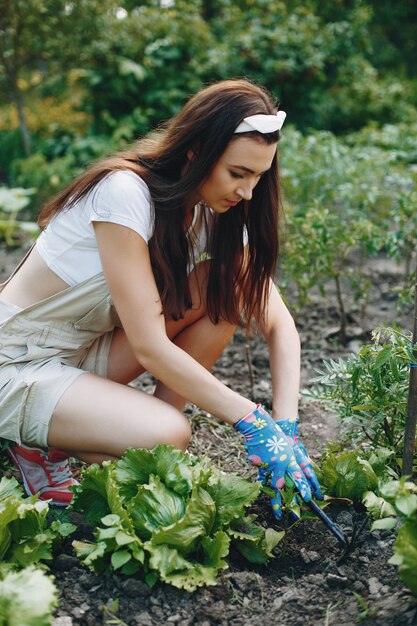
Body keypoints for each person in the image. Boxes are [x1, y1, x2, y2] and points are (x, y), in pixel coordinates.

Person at [0, 79, 322, 517]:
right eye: (238, 174)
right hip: (16, 363)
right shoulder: (123, 194)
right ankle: (41, 442)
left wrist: (286, 426)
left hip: (80, 354)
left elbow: (279, 323)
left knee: (223, 290)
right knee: (170, 433)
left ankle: (129, 428)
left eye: (258, 177)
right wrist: (251, 420)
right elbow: (150, 346)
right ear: (196, 152)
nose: (247, 192)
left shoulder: (213, 211)